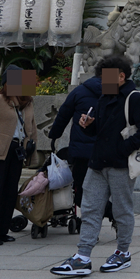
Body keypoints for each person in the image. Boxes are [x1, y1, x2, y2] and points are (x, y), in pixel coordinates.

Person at [50, 55, 140, 276]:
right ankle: (83, 256)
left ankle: (123, 252)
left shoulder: (135, 98)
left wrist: (123, 149)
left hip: (120, 165)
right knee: (89, 208)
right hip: (96, 163)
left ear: (121, 76)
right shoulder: (102, 99)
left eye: (108, 77)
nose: (103, 82)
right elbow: (99, 131)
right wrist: (88, 126)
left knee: (121, 210)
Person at [0, 66, 37, 246]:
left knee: (9, 192)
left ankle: (1, 231)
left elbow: (32, 128)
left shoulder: (27, 102)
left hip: (17, 151)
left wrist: (31, 149)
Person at [49, 72, 103, 210]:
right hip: (104, 151)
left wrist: (54, 135)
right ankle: (107, 211)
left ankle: (86, 209)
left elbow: (63, 115)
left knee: (79, 185)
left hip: (81, 150)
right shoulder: (115, 94)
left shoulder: (79, 91)